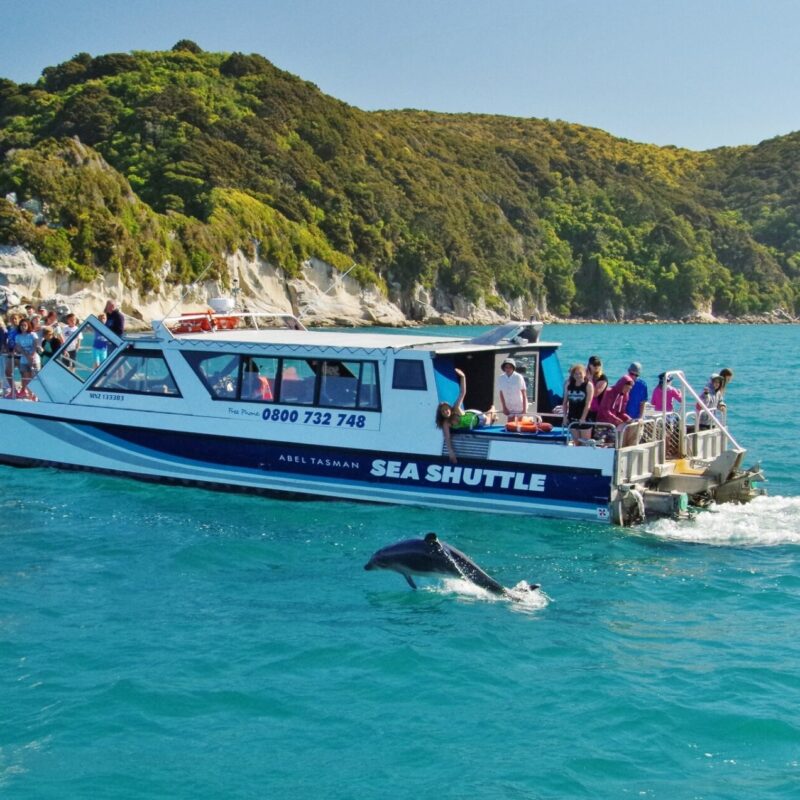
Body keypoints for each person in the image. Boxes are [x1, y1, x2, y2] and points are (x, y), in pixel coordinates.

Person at [436, 368, 497, 464]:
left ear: (450, 409)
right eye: (443, 411)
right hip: (470, 422)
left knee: (490, 418)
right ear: (441, 414)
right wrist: (451, 453)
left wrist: (462, 376)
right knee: (491, 420)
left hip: (475, 416)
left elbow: (462, 393)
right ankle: (491, 412)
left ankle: (492, 409)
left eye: (447, 409)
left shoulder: (455, 408)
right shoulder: (446, 423)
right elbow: (447, 437)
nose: (446, 412)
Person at [562, 363, 594, 444]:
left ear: (584, 374)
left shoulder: (588, 385)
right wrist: (565, 417)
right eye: (575, 373)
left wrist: (583, 418)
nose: (578, 375)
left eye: (580, 373)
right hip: (572, 416)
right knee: (577, 443)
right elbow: (565, 402)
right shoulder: (569, 384)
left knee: (585, 443)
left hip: (585, 417)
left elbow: (588, 403)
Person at [13, 317, 42, 398]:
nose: (23, 327)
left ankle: (36, 395)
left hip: (34, 359)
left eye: (25, 325)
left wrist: (31, 356)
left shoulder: (33, 335)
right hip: (24, 359)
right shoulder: (18, 336)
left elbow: (35, 345)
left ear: (28, 326)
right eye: (21, 325)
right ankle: (30, 394)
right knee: (26, 378)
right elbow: (19, 348)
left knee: (35, 378)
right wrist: (27, 356)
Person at [586, 355, 608, 423]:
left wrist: (590, 379)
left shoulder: (602, 378)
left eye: (598, 364)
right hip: (585, 407)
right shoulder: (584, 376)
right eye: (594, 364)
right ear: (589, 365)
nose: (596, 366)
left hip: (597, 409)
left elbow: (595, 394)